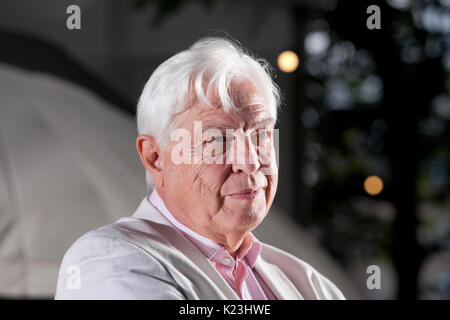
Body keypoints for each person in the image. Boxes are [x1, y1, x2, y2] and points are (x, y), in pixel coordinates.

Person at [55, 36, 345, 300]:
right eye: (218, 139)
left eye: (260, 135)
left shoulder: (309, 283)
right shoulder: (109, 259)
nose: (251, 161)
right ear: (155, 156)